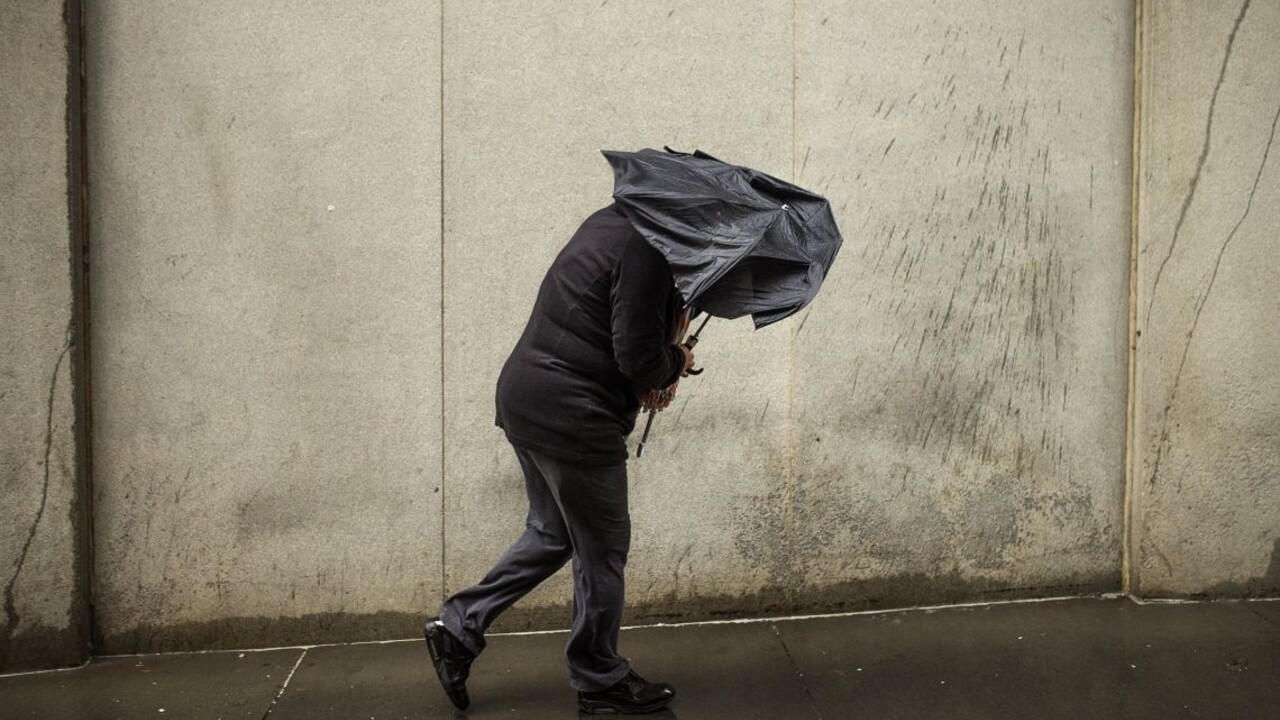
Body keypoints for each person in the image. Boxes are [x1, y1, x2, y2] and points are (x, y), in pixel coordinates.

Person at [424, 202, 696, 715]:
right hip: (572, 415)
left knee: (553, 534)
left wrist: (660, 352)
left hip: (528, 395)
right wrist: (673, 361)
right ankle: (600, 681)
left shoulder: (611, 223)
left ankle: (457, 626)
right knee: (603, 551)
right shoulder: (650, 248)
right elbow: (635, 354)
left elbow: (604, 324)